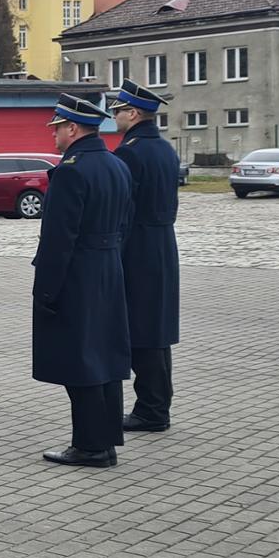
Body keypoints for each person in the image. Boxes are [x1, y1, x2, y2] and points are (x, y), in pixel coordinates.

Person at [35, 94, 134, 467]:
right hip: (109, 268)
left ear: (72, 128)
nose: (54, 136)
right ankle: (104, 440)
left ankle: (91, 445)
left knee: (81, 361)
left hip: (78, 274)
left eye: (57, 128)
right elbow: (125, 222)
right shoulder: (115, 164)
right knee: (105, 358)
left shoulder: (71, 170)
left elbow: (58, 239)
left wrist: (46, 290)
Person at [108, 79, 182, 433]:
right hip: (163, 243)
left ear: (133, 113)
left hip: (137, 246)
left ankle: (151, 409)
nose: (115, 117)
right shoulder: (165, 149)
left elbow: (124, 209)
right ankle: (156, 404)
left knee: (140, 330)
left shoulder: (130, 152)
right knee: (157, 328)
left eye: (119, 111)